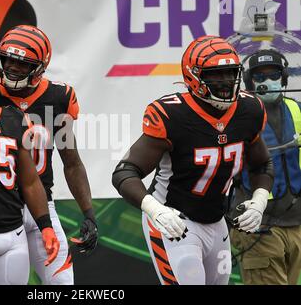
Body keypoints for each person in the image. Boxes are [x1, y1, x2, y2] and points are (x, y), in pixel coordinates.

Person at [0, 24, 98, 285]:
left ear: (39, 67)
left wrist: (89, 213)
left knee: (63, 283)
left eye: (22, 64)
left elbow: (71, 162)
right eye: (8, 60)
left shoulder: (59, 97)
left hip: (40, 205)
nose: (12, 67)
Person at [112, 35, 274, 285]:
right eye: (215, 75)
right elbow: (124, 172)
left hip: (216, 220)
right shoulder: (172, 114)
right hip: (174, 222)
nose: (225, 82)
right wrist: (156, 211)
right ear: (193, 76)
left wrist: (259, 200)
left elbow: (261, 163)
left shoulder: (249, 109)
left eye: (230, 73)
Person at [229, 49, 301, 285]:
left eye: (274, 75)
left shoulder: (298, 109)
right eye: (260, 77)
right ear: (249, 81)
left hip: (297, 226)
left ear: (284, 79)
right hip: (258, 226)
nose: (267, 81)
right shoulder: (235, 117)